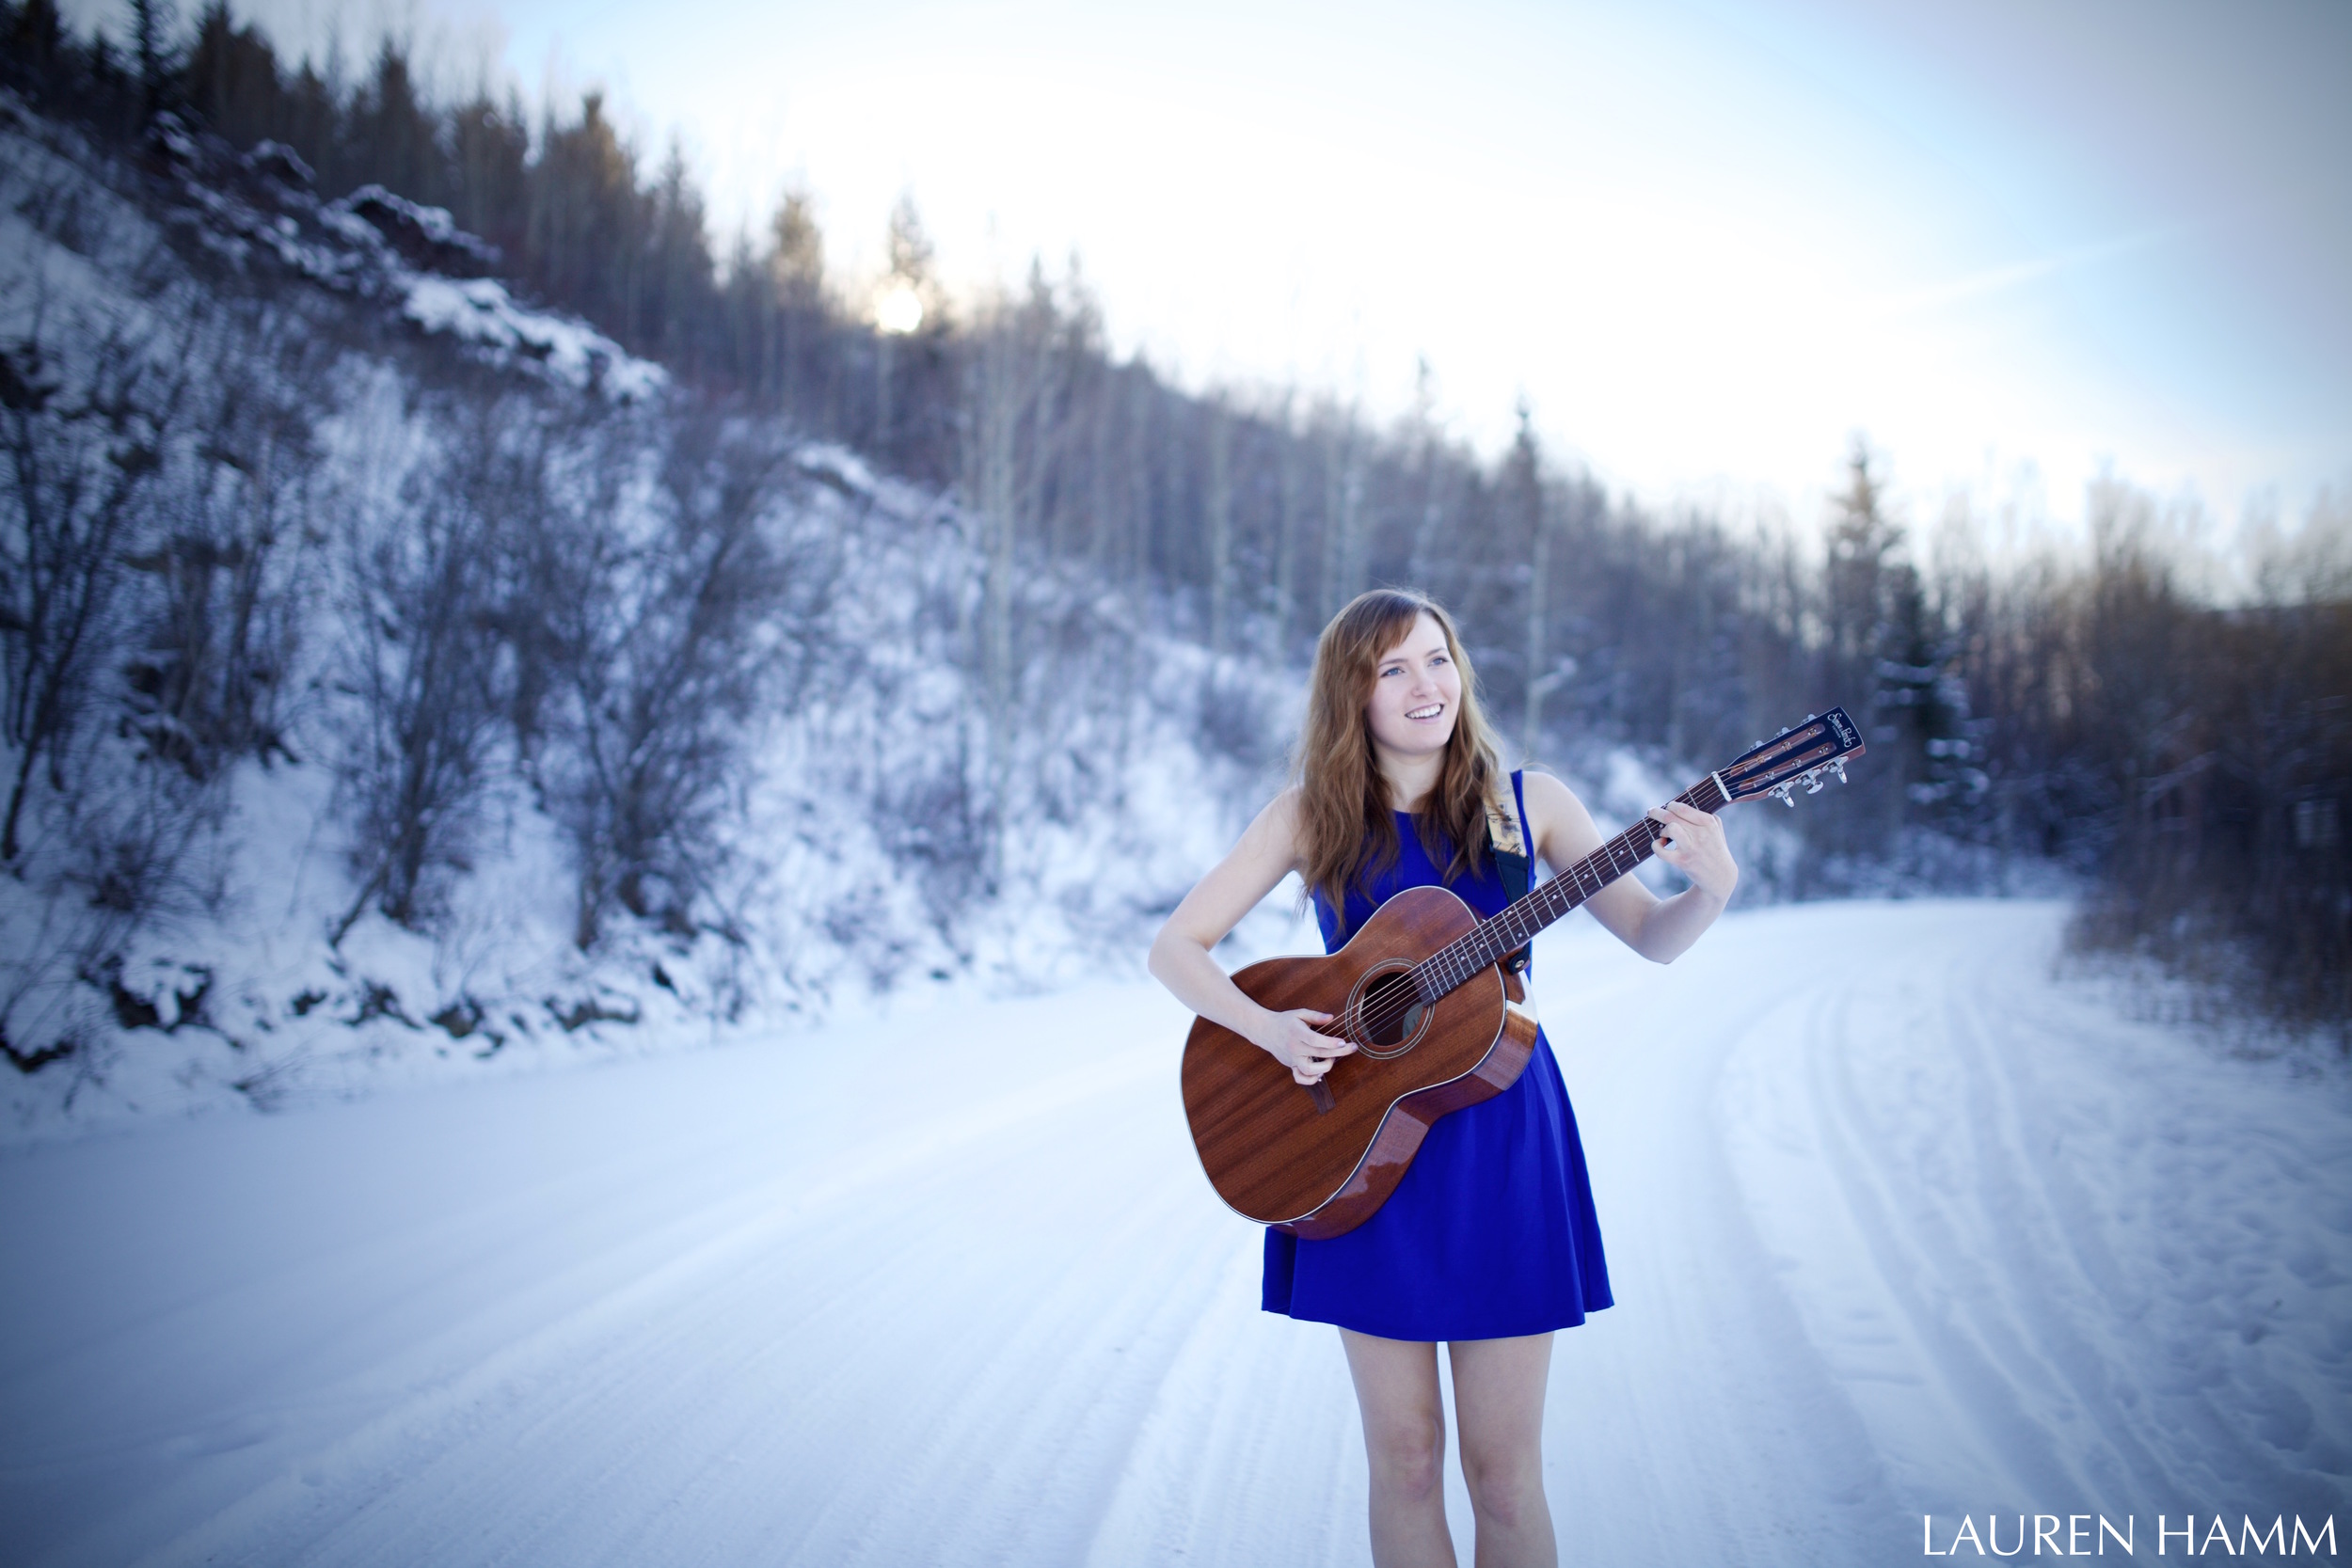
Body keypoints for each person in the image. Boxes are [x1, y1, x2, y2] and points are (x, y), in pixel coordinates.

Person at [1147, 588, 1740, 1568]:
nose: (1426, 684)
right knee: (1408, 1461)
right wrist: (1267, 1030)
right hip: (1353, 1150)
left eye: (1437, 658)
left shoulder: (1528, 804)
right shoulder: (1309, 814)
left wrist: (1709, 889)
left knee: (1504, 1475)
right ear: (1354, 695)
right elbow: (1177, 947)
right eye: (1393, 668)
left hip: (1503, 1143)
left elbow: (1649, 934)